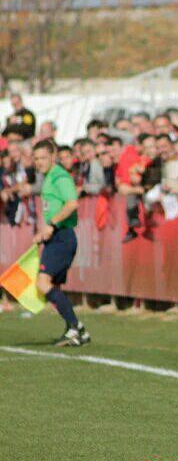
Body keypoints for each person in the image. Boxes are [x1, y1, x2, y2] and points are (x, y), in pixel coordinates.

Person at [31, 140, 90, 347]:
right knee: (51, 285)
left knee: (42, 283)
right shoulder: (48, 177)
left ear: (53, 156)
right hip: (56, 237)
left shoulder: (60, 176)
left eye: (43, 158)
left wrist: (52, 226)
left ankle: (75, 327)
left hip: (62, 237)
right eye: (36, 158)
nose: (39, 162)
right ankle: (77, 329)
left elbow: (72, 203)